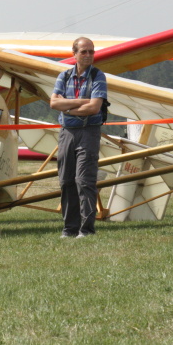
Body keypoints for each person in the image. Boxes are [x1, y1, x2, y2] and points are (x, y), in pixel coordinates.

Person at [50, 37, 107, 239]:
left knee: (84, 180)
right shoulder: (64, 76)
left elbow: (94, 107)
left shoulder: (98, 76)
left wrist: (68, 107)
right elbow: (54, 103)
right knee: (66, 180)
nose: (88, 55)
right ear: (74, 54)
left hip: (89, 132)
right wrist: (82, 102)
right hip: (67, 132)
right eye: (84, 51)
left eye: (91, 51)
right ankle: (69, 229)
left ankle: (86, 229)